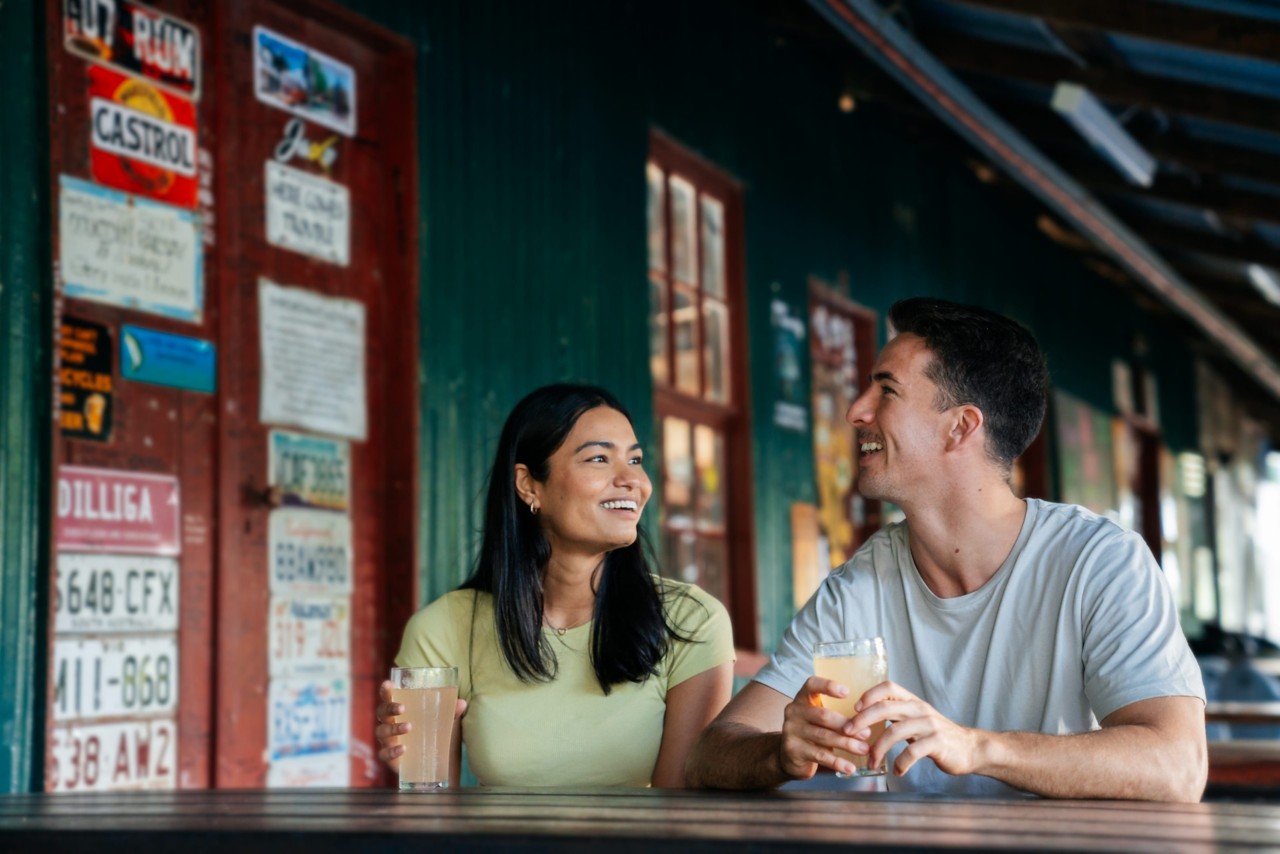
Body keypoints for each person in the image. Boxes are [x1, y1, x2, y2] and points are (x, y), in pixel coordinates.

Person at [686, 297, 1207, 801]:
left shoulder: (1099, 562)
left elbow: (1178, 766)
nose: (855, 411)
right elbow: (710, 753)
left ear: (961, 426)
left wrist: (978, 748)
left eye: (886, 391)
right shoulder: (858, 588)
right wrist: (780, 753)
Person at [376, 383, 735, 787]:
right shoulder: (444, 628)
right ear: (529, 485)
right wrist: (413, 756)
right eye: (599, 458)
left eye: (635, 460)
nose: (633, 480)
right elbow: (431, 806)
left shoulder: (690, 621)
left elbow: (682, 810)